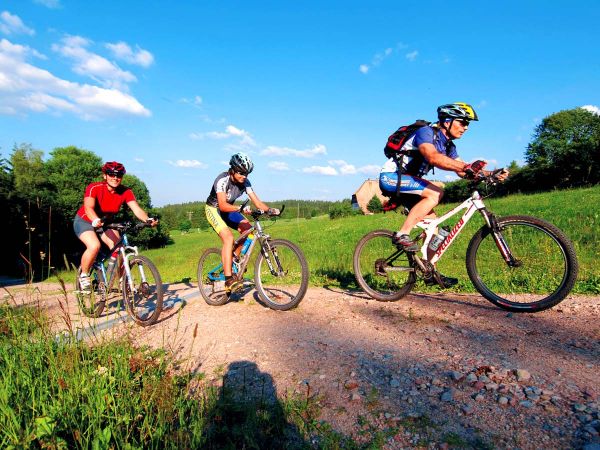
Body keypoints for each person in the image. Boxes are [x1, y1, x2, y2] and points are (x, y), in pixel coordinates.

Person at [379, 102, 509, 287]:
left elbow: (463, 171)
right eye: (462, 122)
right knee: (436, 192)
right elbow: (432, 156)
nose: (465, 127)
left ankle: (429, 271)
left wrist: (491, 174)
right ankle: (402, 234)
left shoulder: (449, 146)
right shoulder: (426, 132)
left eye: (467, 124)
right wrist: (467, 166)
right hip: (392, 178)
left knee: (436, 230)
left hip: (411, 185)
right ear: (447, 121)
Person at [73, 161, 158, 292]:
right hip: (85, 221)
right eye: (111, 174)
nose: (115, 178)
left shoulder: (126, 191)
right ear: (105, 175)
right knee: (94, 245)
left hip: (106, 223)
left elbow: (136, 209)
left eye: (118, 175)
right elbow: (88, 207)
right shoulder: (94, 187)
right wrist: (95, 219)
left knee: (119, 248)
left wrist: (147, 219)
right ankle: (84, 276)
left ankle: (123, 280)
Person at [205, 152, 279, 292]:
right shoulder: (222, 180)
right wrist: (240, 208)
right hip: (214, 209)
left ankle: (234, 259)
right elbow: (221, 205)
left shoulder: (245, 182)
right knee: (228, 238)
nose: (244, 176)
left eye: (247, 173)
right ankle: (228, 280)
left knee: (248, 231)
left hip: (229, 210)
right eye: (241, 173)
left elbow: (257, 202)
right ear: (232, 169)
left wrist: (269, 210)